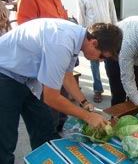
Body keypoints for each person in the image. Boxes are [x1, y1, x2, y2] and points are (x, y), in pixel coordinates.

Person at [0, 18, 123, 164]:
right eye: (102, 56)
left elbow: (67, 76)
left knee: (44, 129)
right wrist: (88, 117)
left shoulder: (76, 39)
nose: (101, 61)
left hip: (28, 79)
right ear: (94, 43)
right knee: (5, 140)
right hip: (5, 74)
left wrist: (84, 103)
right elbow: (51, 98)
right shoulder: (62, 44)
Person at [17, 0, 70, 132]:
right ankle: (51, 135)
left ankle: (62, 125)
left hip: (59, 56)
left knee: (63, 97)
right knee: (50, 105)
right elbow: (25, 32)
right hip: (44, 60)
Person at [76, 0, 117, 103]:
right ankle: (98, 90)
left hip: (109, 35)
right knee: (94, 65)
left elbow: (112, 13)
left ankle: (115, 89)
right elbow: (81, 19)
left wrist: (117, 30)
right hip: (92, 37)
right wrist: (83, 41)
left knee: (111, 64)